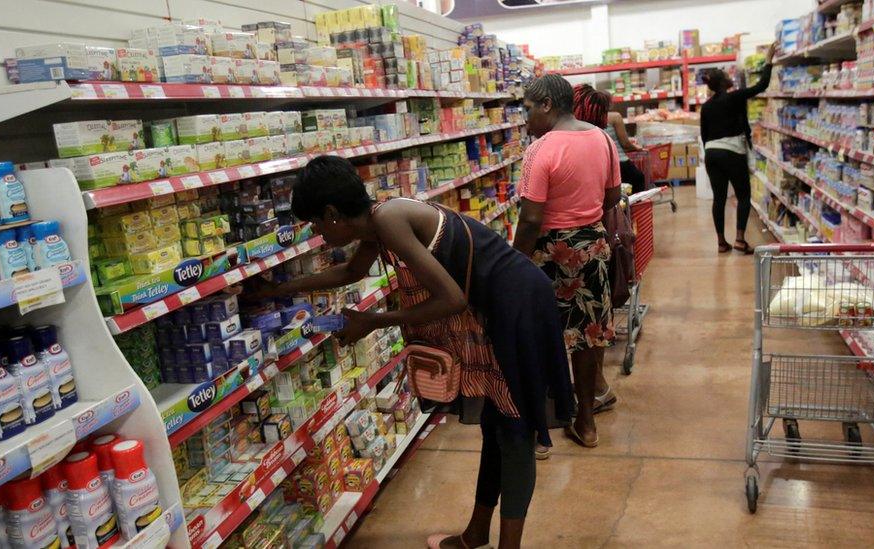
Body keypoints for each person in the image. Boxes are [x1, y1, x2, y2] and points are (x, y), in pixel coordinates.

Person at [263, 155, 573, 549]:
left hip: (516, 308)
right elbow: (350, 274)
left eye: (317, 223)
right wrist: (272, 292)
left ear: (333, 213)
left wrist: (371, 321)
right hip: (495, 311)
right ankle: (476, 533)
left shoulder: (389, 221)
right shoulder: (379, 219)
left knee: (514, 433)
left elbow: (452, 299)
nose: (318, 233)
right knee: (496, 428)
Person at [512, 74, 621, 451]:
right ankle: (586, 423)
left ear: (545, 104)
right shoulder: (602, 139)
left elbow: (530, 219)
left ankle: (541, 436)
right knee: (589, 336)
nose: (523, 118)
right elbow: (612, 196)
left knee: (541, 335)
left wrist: (514, 262)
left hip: (548, 252)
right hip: (592, 245)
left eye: (526, 109)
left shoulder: (539, 151)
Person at [700, 43, 776, 254]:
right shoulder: (735, 96)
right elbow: (762, 85)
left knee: (719, 198)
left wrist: (711, 152)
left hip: (712, 154)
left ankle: (721, 242)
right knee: (743, 195)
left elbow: (704, 135)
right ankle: (740, 239)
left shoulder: (706, 106)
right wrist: (769, 60)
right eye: (726, 75)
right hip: (733, 151)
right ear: (724, 82)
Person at [573, 84, 647, 192]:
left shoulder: (584, 120)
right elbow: (625, 144)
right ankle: (634, 207)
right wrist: (637, 148)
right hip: (619, 161)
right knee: (639, 178)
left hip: (598, 165)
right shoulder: (615, 117)